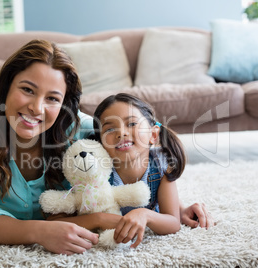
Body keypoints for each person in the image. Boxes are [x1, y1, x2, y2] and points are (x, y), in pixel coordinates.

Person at [0, 39, 212, 256]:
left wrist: (174, 208)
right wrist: (39, 232)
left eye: (52, 98)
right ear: (6, 86)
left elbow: (134, 152)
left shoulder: (81, 129)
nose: (37, 108)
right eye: (27, 90)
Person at [89, 93, 209, 247]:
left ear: (153, 134)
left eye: (131, 124)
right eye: (109, 129)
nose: (121, 133)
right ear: (101, 143)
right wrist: (99, 219)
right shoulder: (96, 170)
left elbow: (173, 223)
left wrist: (145, 215)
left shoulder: (161, 164)